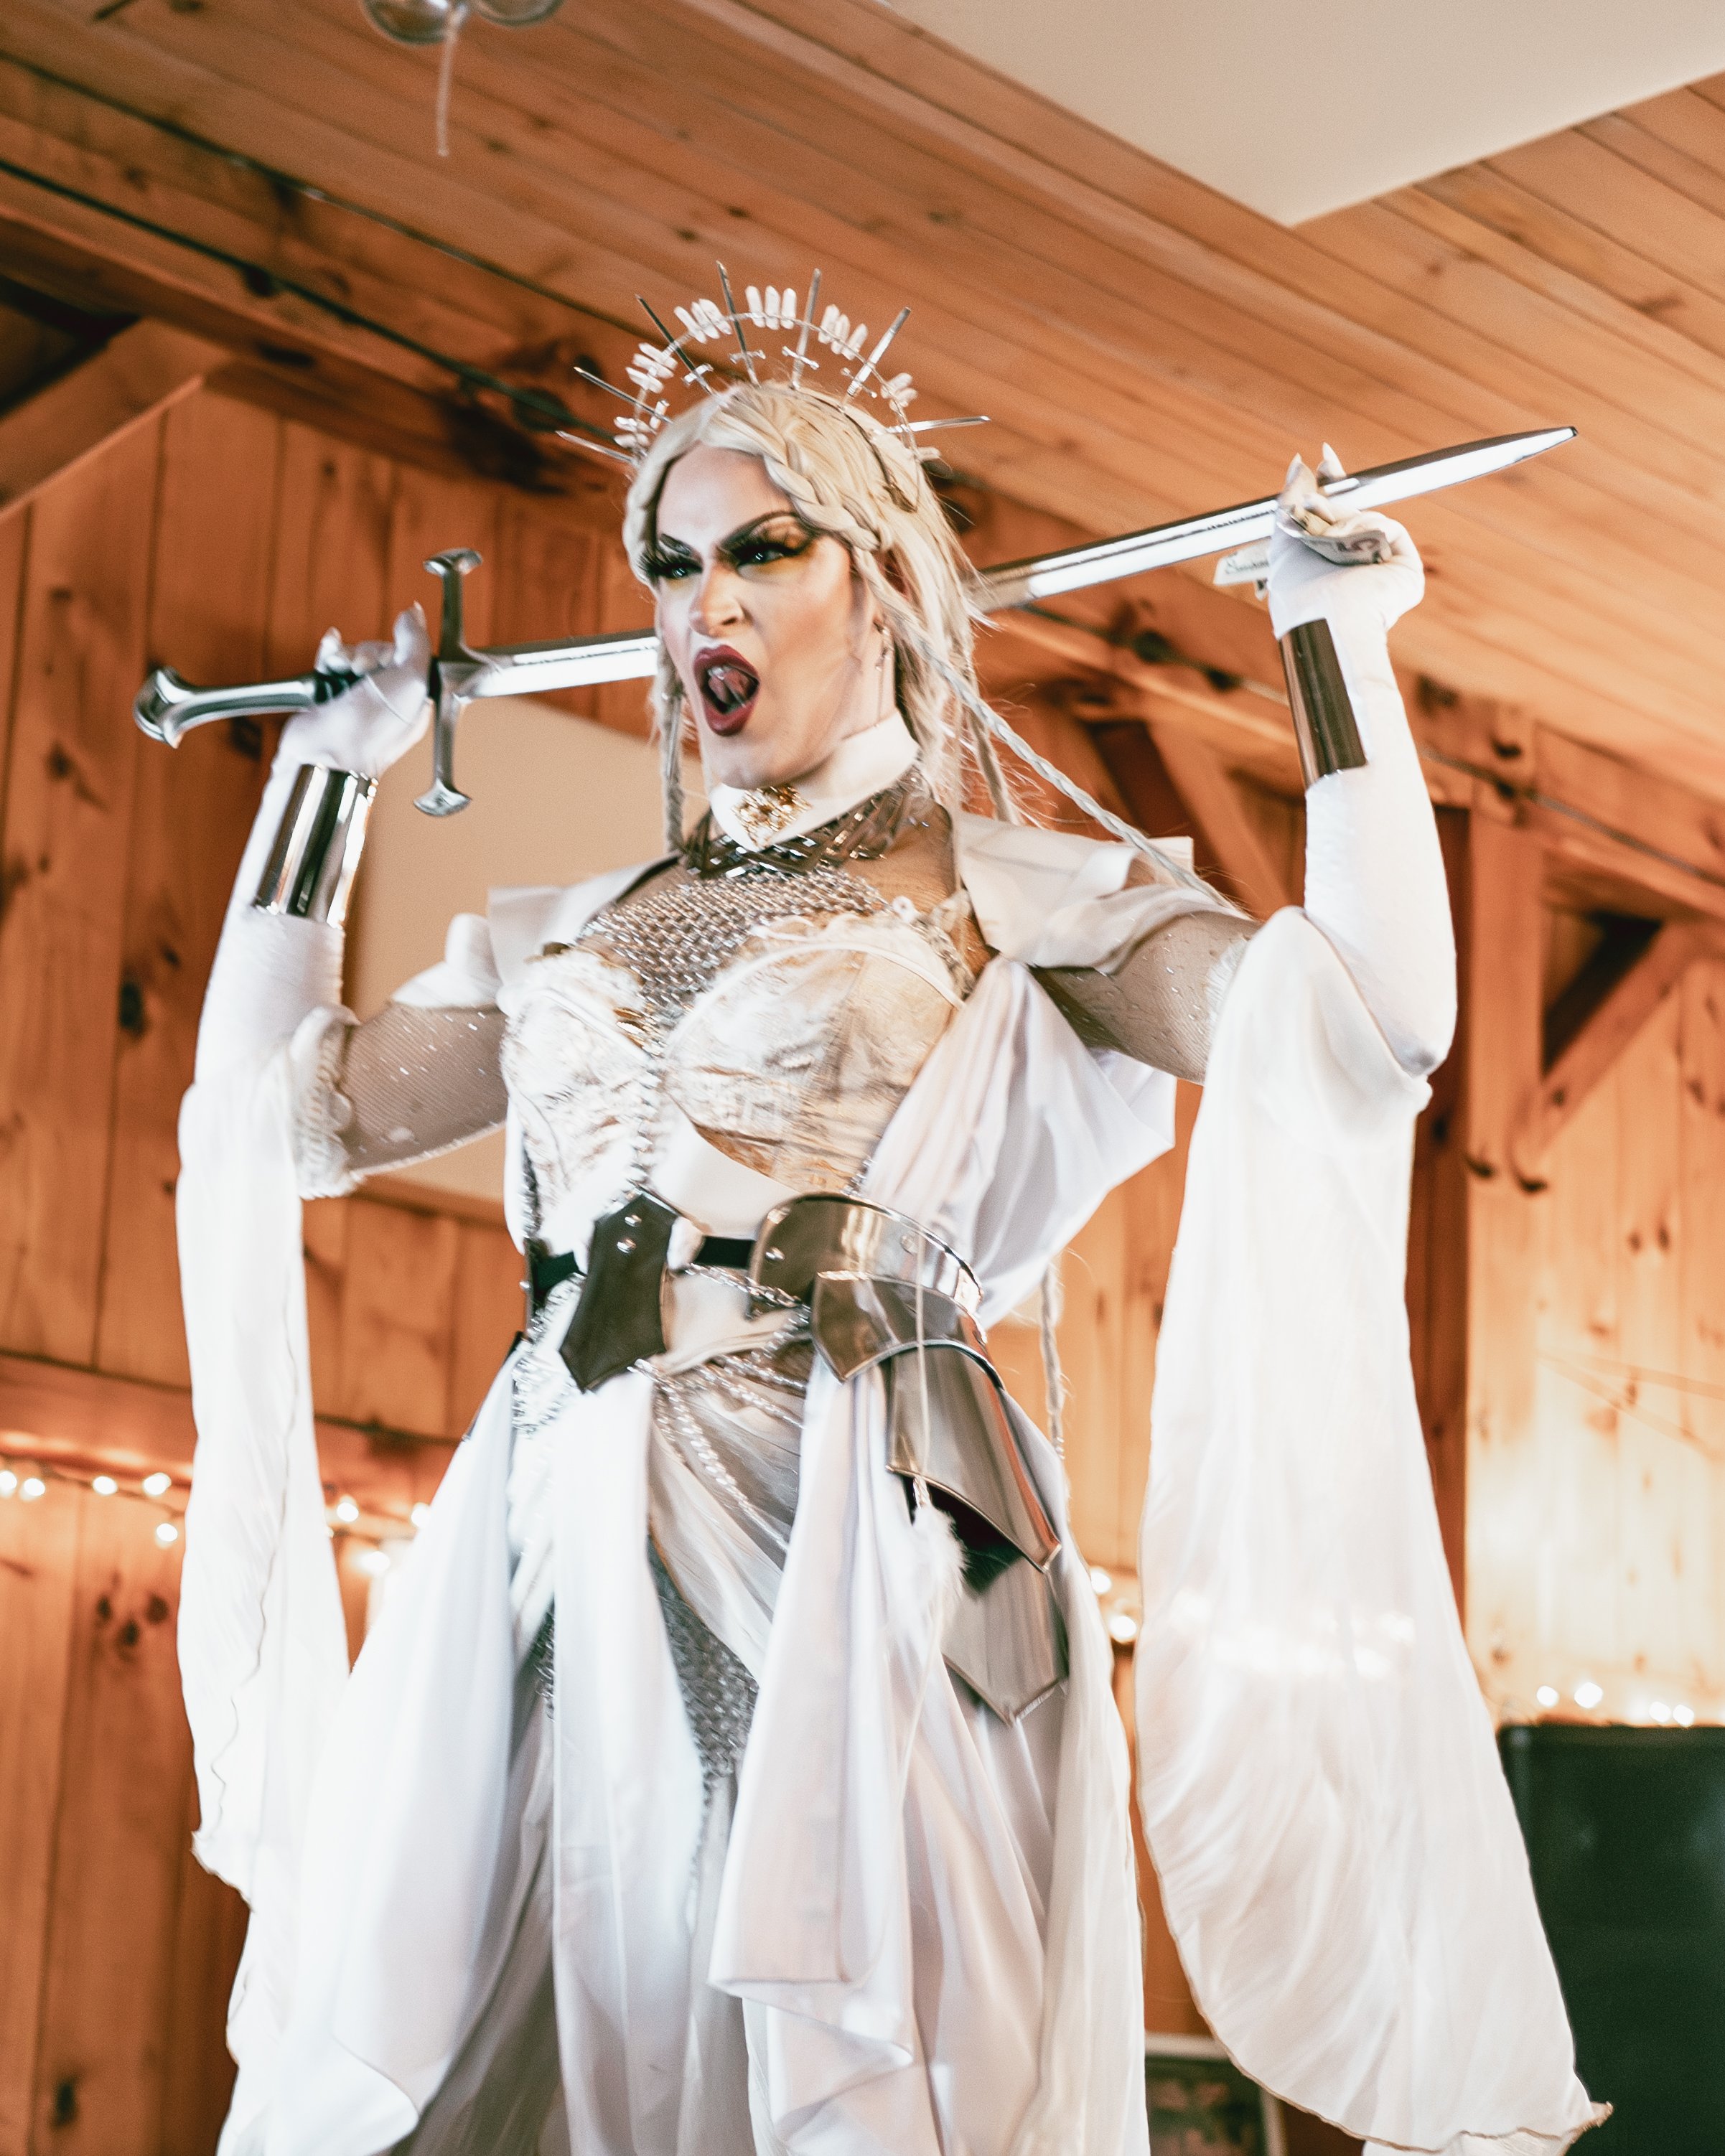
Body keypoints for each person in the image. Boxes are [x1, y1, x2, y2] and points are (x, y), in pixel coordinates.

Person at [173, 298, 1599, 2156]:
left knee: (836, 2053)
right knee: (465, 2045)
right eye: (676, 564)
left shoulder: (1011, 902)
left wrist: (1333, 646)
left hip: (859, 1535)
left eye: (765, 549)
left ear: (891, 590)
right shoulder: (572, 929)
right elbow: (271, 1113)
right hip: (546, 1529)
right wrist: (324, 773)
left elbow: (1371, 1019)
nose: (709, 609)